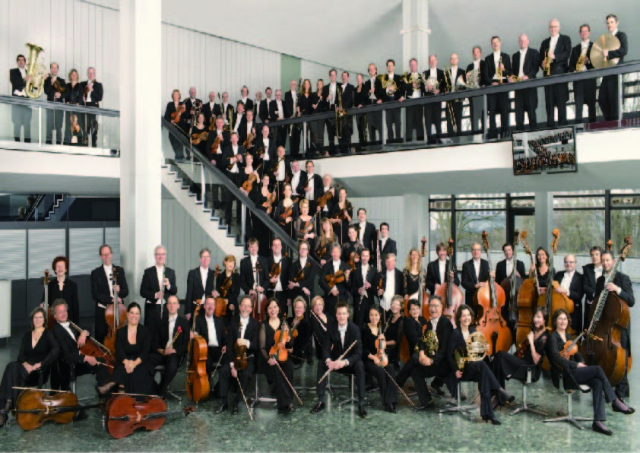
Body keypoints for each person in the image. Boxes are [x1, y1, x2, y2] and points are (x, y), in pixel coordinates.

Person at [547, 309, 634, 435]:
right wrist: (576, 365)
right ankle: (614, 401)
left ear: (568, 321)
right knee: (597, 369)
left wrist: (581, 363)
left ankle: (598, 422)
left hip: (574, 373)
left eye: (565, 319)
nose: (563, 321)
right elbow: (556, 358)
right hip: (564, 375)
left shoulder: (569, 337)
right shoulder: (553, 338)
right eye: (560, 319)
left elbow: (579, 357)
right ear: (555, 321)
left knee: (597, 382)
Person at [447, 304, 513, 424]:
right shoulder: (455, 333)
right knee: (482, 367)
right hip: (461, 371)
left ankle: (489, 415)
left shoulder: (473, 331)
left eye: (468, 315)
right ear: (459, 318)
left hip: (473, 367)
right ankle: (499, 391)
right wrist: (455, 370)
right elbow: (449, 355)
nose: (466, 318)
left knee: (484, 377)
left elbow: (477, 352)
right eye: (463, 316)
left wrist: (483, 349)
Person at [0, 307, 59, 427]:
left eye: (40, 317)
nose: (37, 320)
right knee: (11, 367)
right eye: (35, 318)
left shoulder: (48, 334)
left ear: (44, 320)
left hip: (39, 371)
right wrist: (26, 364)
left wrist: (40, 364)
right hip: (25, 368)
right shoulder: (27, 335)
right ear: (32, 320)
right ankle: (8, 405)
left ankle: (5, 408)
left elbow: (56, 350)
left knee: (12, 370)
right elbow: (21, 356)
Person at [311, 301, 367, 418]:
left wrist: (345, 362)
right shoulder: (331, 328)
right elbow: (325, 349)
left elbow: (358, 353)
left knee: (360, 365)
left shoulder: (355, 329)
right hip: (335, 362)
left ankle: (361, 403)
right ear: (336, 315)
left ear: (348, 315)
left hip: (349, 363)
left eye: (344, 313)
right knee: (321, 363)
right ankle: (321, 400)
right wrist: (329, 361)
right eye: (339, 314)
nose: (341, 316)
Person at [594, 250, 635, 400]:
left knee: (620, 360)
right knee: (605, 359)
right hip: (604, 326)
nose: (605, 263)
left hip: (619, 326)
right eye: (603, 260)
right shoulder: (600, 280)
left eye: (607, 260)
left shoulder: (623, 278)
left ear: (613, 261)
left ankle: (621, 393)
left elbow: (631, 300)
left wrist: (618, 290)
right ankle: (607, 390)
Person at [50, 299, 109, 393]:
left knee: (104, 359)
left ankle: (103, 388)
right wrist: (86, 358)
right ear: (54, 315)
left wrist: (83, 333)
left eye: (64, 311)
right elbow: (66, 355)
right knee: (102, 362)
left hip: (79, 357)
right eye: (60, 312)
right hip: (71, 364)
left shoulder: (70, 323)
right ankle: (102, 391)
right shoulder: (56, 330)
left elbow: (87, 328)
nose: (63, 314)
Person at [97, 303, 154, 396]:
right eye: (132, 312)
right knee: (122, 367)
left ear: (139, 316)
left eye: (137, 313)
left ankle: (112, 386)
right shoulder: (121, 332)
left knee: (135, 370)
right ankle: (121, 394)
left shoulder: (145, 331)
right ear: (127, 314)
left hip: (140, 361)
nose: (134, 316)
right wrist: (127, 363)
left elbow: (145, 352)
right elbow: (119, 351)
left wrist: (134, 364)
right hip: (125, 360)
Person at [216, 296, 259, 414]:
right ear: (239, 307)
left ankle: (236, 402)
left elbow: (255, 345)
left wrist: (246, 342)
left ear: (251, 309)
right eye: (243, 305)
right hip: (234, 356)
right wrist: (232, 365)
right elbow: (230, 343)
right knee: (223, 371)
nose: (245, 308)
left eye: (248, 306)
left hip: (248, 358)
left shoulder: (255, 324)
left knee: (245, 374)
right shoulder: (233, 321)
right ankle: (223, 402)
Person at [411, 295, 453, 410]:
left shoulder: (446, 324)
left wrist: (432, 361)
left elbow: (444, 350)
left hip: (443, 363)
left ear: (441, 307)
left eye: (436, 306)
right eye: (431, 306)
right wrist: (422, 354)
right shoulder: (429, 323)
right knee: (415, 371)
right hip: (433, 359)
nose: (433, 308)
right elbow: (422, 341)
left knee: (414, 365)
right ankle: (427, 401)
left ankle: (399, 381)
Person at [492, 307, 549, 388]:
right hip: (522, 362)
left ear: (544, 320)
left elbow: (536, 361)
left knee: (500, 355)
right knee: (498, 360)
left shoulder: (544, 337)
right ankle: (499, 391)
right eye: (535, 316)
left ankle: (498, 391)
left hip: (530, 369)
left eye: (539, 317)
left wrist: (531, 342)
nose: (535, 319)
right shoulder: (534, 331)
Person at [259, 299, 295, 414]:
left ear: (279, 309)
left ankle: (287, 400)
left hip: (282, 356)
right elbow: (262, 347)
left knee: (289, 367)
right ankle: (287, 402)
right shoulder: (264, 325)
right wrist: (269, 359)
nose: (273, 309)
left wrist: (288, 336)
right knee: (277, 370)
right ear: (267, 310)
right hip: (269, 359)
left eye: (275, 307)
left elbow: (290, 345)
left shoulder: (284, 324)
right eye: (270, 307)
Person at [148, 295, 189, 397]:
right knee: (146, 363)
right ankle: (154, 389)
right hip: (161, 352)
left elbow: (186, 344)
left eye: (174, 303)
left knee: (172, 367)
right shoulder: (160, 322)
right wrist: (161, 351)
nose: (172, 305)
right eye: (169, 303)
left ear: (178, 306)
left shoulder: (184, 323)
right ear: (166, 306)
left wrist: (174, 350)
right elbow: (154, 342)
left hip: (174, 354)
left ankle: (160, 392)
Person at [363, 306, 399, 413]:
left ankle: (392, 400)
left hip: (380, 356)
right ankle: (387, 403)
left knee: (390, 368)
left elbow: (383, 346)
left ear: (379, 316)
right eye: (371, 315)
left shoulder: (381, 329)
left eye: (376, 315)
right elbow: (362, 349)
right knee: (380, 371)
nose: (374, 317)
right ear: (369, 316)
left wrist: (384, 340)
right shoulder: (364, 329)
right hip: (368, 359)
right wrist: (373, 357)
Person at [91, 244, 129, 343]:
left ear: (111, 254)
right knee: (101, 337)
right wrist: (111, 300)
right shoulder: (95, 273)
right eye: (104, 255)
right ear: (100, 257)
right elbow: (95, 294)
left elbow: (125, 291)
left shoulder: (120, 270)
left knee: (119, 336)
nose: (106, 257)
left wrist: (120, 290)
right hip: (103, 310)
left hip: (118, 310)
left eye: (108, 254)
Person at [539, 19, 572, 128]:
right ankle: (550, 128)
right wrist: (542, 64)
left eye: (555, 26)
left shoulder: (565, 39)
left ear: (559, 27)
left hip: (560, 74)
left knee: (561, 103)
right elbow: (540, 59)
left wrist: (554, 56)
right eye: (551, 27)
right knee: (549, 104)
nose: (553, 29)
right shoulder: (544, 42)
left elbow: (567, 53)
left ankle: (563, 128)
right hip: (548, 76)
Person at [139, 245, 178, 335]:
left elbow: (174, 290)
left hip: (166, 308)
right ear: (155, 256)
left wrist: (168, 285)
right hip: (152, 308)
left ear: (165, 256)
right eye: (158, 254)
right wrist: (154, 295)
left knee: (164, 334)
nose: (160, 256)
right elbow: (142, 291)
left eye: (163, 254)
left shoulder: (171, 272)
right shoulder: (148, 272)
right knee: (151, 334)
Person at [598, 14, 628, 121]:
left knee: (614, 101)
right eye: (608, 23)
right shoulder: (606, 39)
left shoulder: (621, 35)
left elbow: (624, 50)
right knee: (602, 99)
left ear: (616, 23)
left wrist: (609, 53)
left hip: (616, 73)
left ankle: (615, 124)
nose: (609, 25)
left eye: (611, 22)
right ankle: (609, 122)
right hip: (607, 73)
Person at [510, 34, 540, 131]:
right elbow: (513, 71)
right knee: (518, 112)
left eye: (524, 40)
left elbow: (535, 68)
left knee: (531, 110)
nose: (523, 42)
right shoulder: (515, 56)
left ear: (528, 41)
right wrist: (511, 77)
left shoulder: (534, 53)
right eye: (521, 41)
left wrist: (528, 76)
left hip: (529, 85)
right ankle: (519, 134)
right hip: (518, 86)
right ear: (519, 42)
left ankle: (534, 132)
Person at [396, 300, 427, 387]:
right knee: (415, 357)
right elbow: (415, 341)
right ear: (409, 311)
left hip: (427, 347)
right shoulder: (409, 322)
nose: (415, 311)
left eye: (417, 308)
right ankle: (398, 381)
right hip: (416, 348)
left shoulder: (422, 319)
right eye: (413, 309)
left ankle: (436, 384)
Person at [485, 36, 511, 139]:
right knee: (492, 111)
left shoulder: (506, 57)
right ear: (492, 45)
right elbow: (485, 75)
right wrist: (492, 83)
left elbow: (510, 73)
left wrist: (504, 69)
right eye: (493, 43)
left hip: (503, 86)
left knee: (504, 110)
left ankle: (505, 134)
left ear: (500, 43)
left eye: (497, 42)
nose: (495, 44)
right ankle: (493, 134)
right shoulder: (487, 59)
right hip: (493, 87)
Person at [569, 24, 596, 124]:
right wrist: (574, 71)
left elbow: (597, 64)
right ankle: (578, 127)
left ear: (589, 33)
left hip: (590, 80)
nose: (584, 33)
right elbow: (570, 65)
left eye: (586, 31)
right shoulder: (575, 49)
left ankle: (593, 126)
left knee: (591, 104)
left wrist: (588, 62)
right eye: (582, 31)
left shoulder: (595, 47)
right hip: (579, 80)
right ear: (580, 33)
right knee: (578, 105)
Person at [42, 256, 79, 324]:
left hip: (68, 319)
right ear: (55, 270)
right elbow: (44, 302)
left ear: (66, 269)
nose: (60, 268)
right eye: (58, 266)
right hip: (53, 319)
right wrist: (43, 305)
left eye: (62, 266)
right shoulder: (50, 285)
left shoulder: (72, 285)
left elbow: (75, 306)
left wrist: (76, 324)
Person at [554, 254, 584, 332]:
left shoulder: (580, 277)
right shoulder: (558, 274)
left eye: (571, 262)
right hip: (558, 308)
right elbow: (553, 288)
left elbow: (579, 295)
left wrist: (565, 291)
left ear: (575, 263)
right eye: (566, 262)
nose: (568, 264)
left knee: (572, 333)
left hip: (573, 311)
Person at [185, 248, 216, 321]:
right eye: (203, 257)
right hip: (195, 307)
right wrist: (188, 311)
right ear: (200, 259)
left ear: (210, 258)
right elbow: (189, 292)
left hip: (208, 308)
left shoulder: (213, 274)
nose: (205, 259)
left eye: (207, 256)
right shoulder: (192, 273)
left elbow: (215, 290)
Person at [319, 244, 351, 314]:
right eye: (333, 252)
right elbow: (321, 281)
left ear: (340, 253)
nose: (335, 254)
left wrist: (347, 278)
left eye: (337, 252)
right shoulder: (326, 266)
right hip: (329, 298)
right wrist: (330, 290)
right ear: (331, 253)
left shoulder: (346, 266)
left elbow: (349, 285)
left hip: (342, 297)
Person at [380, 59, 405, 144]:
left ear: (394, 66)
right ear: (387, 67)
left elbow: (402, 89)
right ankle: (390, 141)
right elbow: (381, 91)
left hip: (396, 101)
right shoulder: (384, 78)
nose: (390, 67)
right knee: (389, 123)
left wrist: (401, 96)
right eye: (388, 65)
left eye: (391, 65)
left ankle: (398, 141)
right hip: (388, 102)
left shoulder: (398, 78)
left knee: (398, 123)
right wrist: (388, 89)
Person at [422, 55, 445, 144]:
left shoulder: (441, 73)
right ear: (429, 62)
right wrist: (426, 87)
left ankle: (439, 138)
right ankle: (429, 139)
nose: (432, 62)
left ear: (436, 61)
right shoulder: (425, 73)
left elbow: (444, 86)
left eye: (434, 60)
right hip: (428, 100)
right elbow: (421, 88)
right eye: (431, 60)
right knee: (428, 120)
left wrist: (439, 90)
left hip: (437, 99)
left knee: (438, 119)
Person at [351, 248, 376, 327]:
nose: (365, 258)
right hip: (358, 303)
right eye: (363, 256)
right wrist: (358, 290)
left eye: (367, 256)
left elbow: (376, 289)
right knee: (358, 327)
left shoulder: (374, 270)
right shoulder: (355, 270)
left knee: (370, 327)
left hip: (369, 303)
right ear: (360, 257)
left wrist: (370, 286)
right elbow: (351, 288)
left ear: (369, 257)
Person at [9, 54, 32, 143]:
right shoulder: (13, 71)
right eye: (19, 60)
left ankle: (27, 143)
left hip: (27, 101)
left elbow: (33, 87)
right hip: (17, 100)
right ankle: (17, 143)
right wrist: (24, 79)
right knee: (17, 123)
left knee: (27, 123)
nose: (21, 61)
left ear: (25, 62)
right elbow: (15, 83)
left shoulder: (29, 72)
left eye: (23, 60)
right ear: (17, 62)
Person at [267, 237, 291, 315]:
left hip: (283, 294)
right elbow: (263, 277)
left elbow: (290, 279)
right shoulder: (267, 260)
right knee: (270, 316)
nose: (276, 246)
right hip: (270, 293)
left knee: (282, 316)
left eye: (278, 245)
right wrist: (269, 280)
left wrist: (289, 297)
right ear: (272, 247)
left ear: (281, 247)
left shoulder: (288, 261)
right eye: (275, 245)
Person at [466, 46, 488, 133]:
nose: (476, 54)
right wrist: (467, 77)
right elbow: (467, 82)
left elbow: (486, 77)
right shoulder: (469, 66)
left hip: (482, 93)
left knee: (483, 116)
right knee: (473, 118)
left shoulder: (484, 64)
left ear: (480, 53)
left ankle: (484, 136)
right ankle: (474, 136)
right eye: (474, 52)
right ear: (472, 54)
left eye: (477, 52)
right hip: (473, 95)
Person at [214, 255, 241, 324]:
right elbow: (218, 291)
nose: (231, 264)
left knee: (233, 324)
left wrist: (229, 300)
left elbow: (237, 292)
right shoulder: (220, 276)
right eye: (229, 262)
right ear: (225, 262)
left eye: (233, 262)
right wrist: (223, 300)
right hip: (222, 304)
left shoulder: (236, 276)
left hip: (233, 302)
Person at [80, 67, 103, 147]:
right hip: (84, 106)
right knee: (84, 127)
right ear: (87, 74)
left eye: (92, 73)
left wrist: (92, 90)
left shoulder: (98, 85)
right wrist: (82, 97)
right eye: (89, 73)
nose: (91, 74)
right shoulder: (82, 84)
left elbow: (100, 97)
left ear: (94, 74)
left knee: (93, 128)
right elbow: (79, 94)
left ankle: (93, 146)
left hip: (93, 107)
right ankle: (84, 147)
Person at [375, 254, 404, 318]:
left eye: (391, 261)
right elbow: (376, 288)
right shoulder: (380, 274)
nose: (390, 263)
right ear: (385, 262)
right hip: (383, 305)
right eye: (388, 262)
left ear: (395, 262)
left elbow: (402, 291)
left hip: (396, 307)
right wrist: (378, 292)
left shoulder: (400, 274)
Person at [43, 62, 66, 145]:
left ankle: (59, 144)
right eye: (52, 67)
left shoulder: (62, 81)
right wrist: (52, 84)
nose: (54, 69)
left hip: (59, 106)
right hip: (50, 105)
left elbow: (65, 93)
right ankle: (48, 144)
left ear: (58, 69)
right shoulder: (47, 80)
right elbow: (46, 91)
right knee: (49, 125)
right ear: (50, 69)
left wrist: (60, 95)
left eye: (56, 67)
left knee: (59, 126)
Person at [288, 240, 316, 305]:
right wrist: (303, 288)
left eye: (305, 249)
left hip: (308, 294)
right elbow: (292, 282)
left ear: (307, 251)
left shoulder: (313, 264)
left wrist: (297, 284)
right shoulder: (294, 265)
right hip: (296, 295)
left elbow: (310, 280)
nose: (303, 250)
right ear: (298, 250)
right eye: (301, 248)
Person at [404, 58, 425, 143]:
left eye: (414, 64)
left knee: (419, 122)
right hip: (409, 101)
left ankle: (421, 142)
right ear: (410, 66)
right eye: (411, 65)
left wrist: (420, 85)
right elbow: (403, 87)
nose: (413, 66)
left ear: (417, 65)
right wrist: (412, 85)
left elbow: (425, 87)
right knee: (408, 123)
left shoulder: (421, 76)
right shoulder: (406, 76)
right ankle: (408, 143)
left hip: (419, 101)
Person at [582, 246, 603, 328]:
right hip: (591, 302)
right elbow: (585, 286)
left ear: (601, 255)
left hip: (604, 303)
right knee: (589, 326)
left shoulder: (607, 268)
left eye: (597, 254)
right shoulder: (587, 268)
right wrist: (595, 294)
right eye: (592, 255)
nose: (594, 257)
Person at [164, 89, 188, 161]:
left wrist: (184, 109)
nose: (176, 96)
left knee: (180, 142)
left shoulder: (182, 104)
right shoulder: (170, 104)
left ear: (179, 96)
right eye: (174, 95)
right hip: (172, 127)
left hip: (181, 127)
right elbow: (166, 116)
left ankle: (179, 157)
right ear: (172, 96)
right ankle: (178, 155)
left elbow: (186, 116)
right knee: (173, 140)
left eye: (177, 94)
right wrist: (170, 120)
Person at [364, 63, 384, 146]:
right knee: (371, 126)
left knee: (380, 126)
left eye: (373, 69)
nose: (371, 71)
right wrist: (369, 92)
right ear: (369, 71)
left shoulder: (380, 81)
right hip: (370, 105)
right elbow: (365, 96)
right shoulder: (367, 83)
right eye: (370, 69)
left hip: (377, 104)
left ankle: (381, 145)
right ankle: (373, 146)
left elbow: (383, 93)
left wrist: (381, 99)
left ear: (376, 70)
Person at [288, 297, 312, 366]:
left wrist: (293, 349)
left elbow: (304, 343)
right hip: (285, 350)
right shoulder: (288, 320)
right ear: (294, 308)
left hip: (297, 354)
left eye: (301, 308)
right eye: (297, 307)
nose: (298, 309)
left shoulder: (306, 325)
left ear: (304, 310)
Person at [64, 69, 83, 145]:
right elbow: (65, 95)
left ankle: (77, 143)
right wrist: (67, 101)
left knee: (77, 125)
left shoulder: (80, 86)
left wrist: (78, 103)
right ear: (70, 76)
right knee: (68, 125)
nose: (73, 76)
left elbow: (81, 97)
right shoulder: (67, 85)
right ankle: (67, 142)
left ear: (77, 76)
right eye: (72, 74)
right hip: (69, 108)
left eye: (75, 74)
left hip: (76, 109)